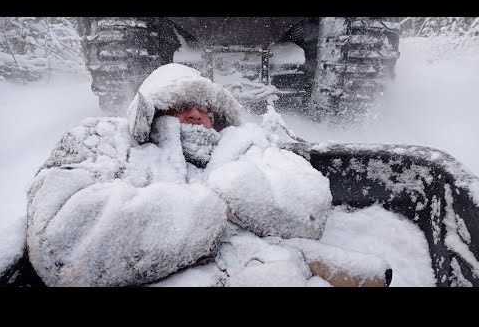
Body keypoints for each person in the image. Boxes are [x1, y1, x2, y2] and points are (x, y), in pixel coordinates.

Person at [24, 63, 391, 287]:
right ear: (150, 112)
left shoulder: (252, 145)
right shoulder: (103, 141)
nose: (197, 115)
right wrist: (209, 212)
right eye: (181, 106)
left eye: (205, 109)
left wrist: (236, 192)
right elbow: (65, 247)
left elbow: (308, 210)